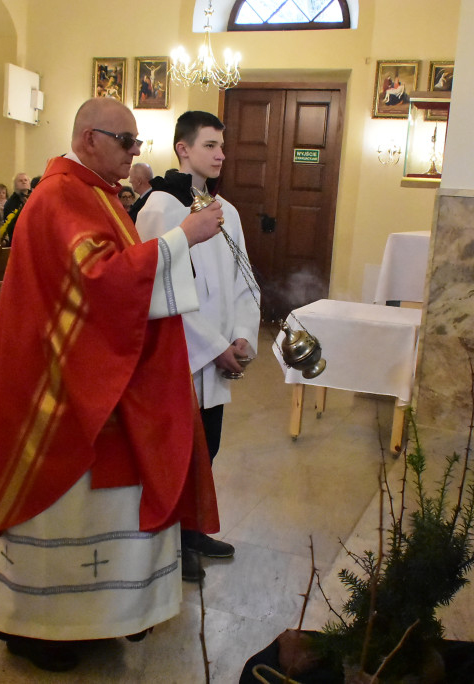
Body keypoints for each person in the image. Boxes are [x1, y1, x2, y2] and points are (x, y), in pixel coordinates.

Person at [0, 96, 224, 672]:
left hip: (91, 374)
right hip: (55, 388)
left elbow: (110, 281)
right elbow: (99, 281)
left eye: (136, 143)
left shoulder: (95, 193)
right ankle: (40, 628)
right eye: (126, 142)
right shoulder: (60, 195)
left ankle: (91, 620)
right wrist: (182, 239)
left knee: (105, 509)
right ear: (89, 138)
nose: (133, 153)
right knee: (61, 507)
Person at [135, 110, 260, 581]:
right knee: (178, 452)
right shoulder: (161, 208)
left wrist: (243, 334)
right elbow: (160, 291)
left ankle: (192, 529)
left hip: (218, 356)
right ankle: (174, 539)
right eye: (210, 145)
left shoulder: (229, 213)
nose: (221, 153)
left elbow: (245, 281)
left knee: (209, 446)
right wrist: (214, 347)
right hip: (180, 358)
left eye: (221, 145)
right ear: (183, 149)